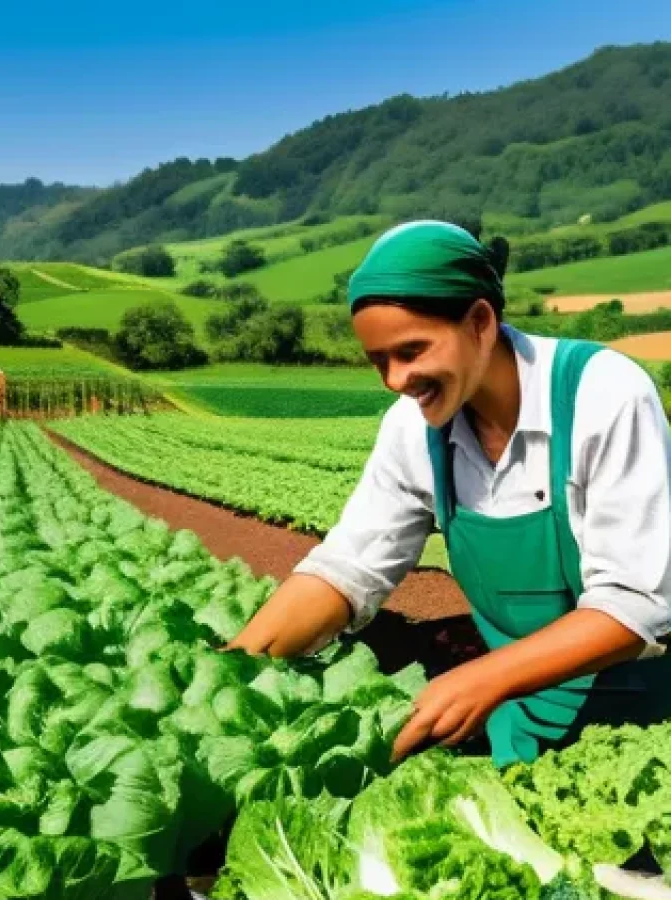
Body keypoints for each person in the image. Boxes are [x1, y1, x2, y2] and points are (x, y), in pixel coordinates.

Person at [226, 220, 671, 768]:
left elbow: (635, 605)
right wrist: (236, 668)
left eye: (411, 351)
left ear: (480, 322)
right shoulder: (413, 428)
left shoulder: (603, 395)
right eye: (378, 360)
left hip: (646, 715)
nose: (394, 379)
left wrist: (484, 677)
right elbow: (349, 567)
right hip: (520, 709)